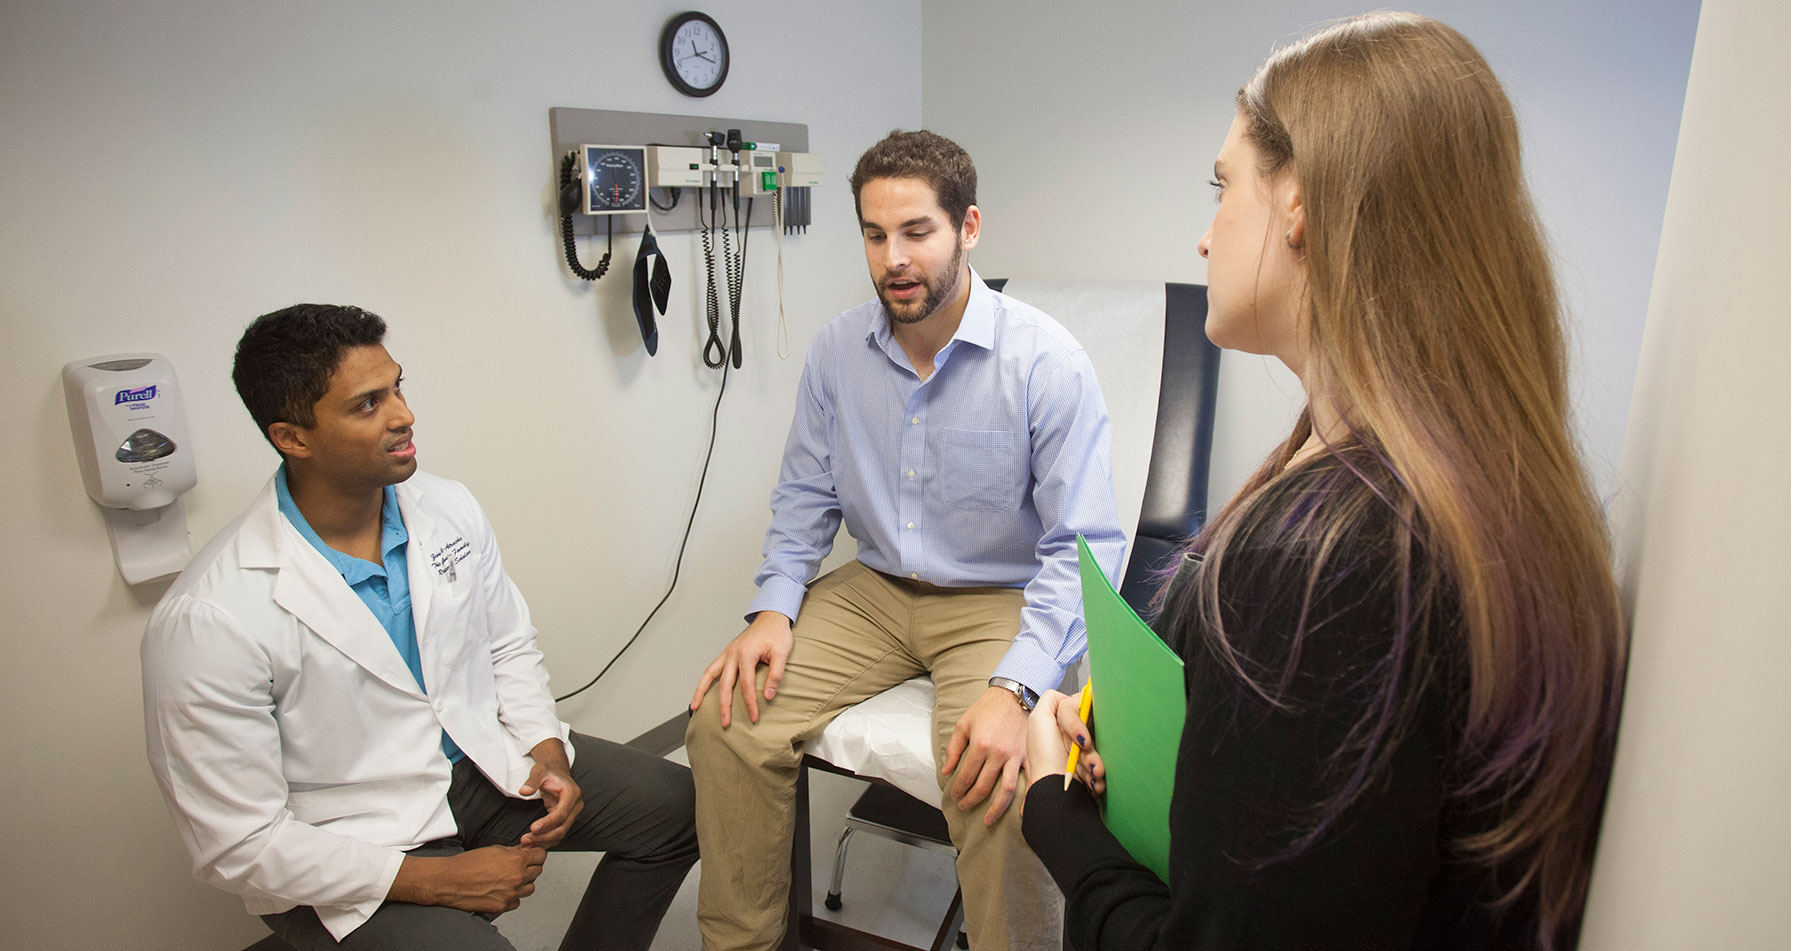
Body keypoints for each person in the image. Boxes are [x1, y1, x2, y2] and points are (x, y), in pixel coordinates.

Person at [1017, 12, 1628, 951]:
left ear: (1297, 199)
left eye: (1221, 186)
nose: (1201, 237)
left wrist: (1052, 808)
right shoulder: (1465, 482)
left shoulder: (1330, 566)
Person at [683, 130, 1129, 951]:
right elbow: (805, 494)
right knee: (725, 721)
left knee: (991, 778)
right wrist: (774, 609)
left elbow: (1084, 546)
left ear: (967, 228)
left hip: (1000, 595)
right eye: (873, 233)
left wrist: (1018, 688)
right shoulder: (835, 352)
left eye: (916, 231)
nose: (893, 257)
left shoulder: (1044, 362)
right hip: (876, 589)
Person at [141, 304, 699, 951]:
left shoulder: (445, 507)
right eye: (367, 404)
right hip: (351, 837)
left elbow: (506, 643)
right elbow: (236, 842)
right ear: (293, 437)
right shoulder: (209, 616)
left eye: (397, 386)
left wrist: (545, 747)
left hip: (479, 768)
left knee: (679, 807)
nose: (403, 415)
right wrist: (434, 880)